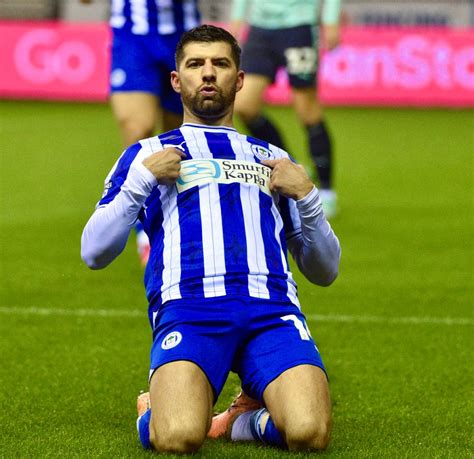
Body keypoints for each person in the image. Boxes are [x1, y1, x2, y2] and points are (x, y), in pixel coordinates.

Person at [81, 25, 341, 454]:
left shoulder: (274, 160)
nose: (207, 74)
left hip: (272, 313)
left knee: (309, 431)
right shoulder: (147, 154)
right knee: (179, 436)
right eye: (195, 65)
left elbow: (325, 271)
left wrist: (309, 196)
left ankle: (242, 421)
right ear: (176, 80)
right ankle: (154, 410)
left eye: (220, 64)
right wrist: (142, 180)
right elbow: (93, 252)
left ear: (238, 80)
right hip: (190, 312)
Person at [80, 0, 201, 265]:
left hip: (186, 36)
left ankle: (180, 222)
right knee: (138, 129)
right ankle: (144, 232)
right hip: (132, 36)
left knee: (181, 139)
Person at [230, 0, 341, 218]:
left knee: (307, 109)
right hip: (260, 28)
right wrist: (237, 16)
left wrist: (330, 19)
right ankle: (290, 164)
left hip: (298, 25)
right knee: (245, 106)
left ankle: (327, 191)